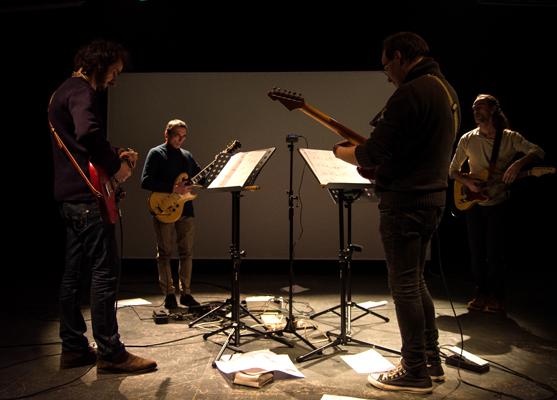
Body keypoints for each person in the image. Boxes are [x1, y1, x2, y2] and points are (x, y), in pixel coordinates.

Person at [334, 32, 460, 394]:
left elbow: (373, 154)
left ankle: (415, 371)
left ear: (401, 56)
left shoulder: (410, 92)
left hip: (405, 203)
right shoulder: (446, 90)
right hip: (432, 200)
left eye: (387, 66)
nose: (387, 75)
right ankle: (431, 362)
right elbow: (410, 147)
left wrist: (341, 153)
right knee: (416, 282)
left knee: (404, 286)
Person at [49, 39, 157, 374]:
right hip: (87, 200)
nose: (114, 81)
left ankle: (73, 348)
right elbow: (89, 134)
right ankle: (111, 351)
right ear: (100, 64)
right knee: (104, 273)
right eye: (114, 73)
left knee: (73, 274)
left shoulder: (60, 93)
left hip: (68, 197)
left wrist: (114, 154)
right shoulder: (82, 91)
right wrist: (118, 166)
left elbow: (79, 144)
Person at [449, 94, 544, 313]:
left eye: (480, 107)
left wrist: (519, 164)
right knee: (476, 253)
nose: (475, 110)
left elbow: (538, 151)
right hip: (473, 204)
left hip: (498, 202)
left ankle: (496, 296)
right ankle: (481, 293)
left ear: (493, 110)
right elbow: (452, 170)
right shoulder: (468, 138)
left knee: (494, 254)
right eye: (474, 107)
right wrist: (467, 181)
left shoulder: (509, 137)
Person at [141, 119, 203, 309]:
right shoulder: (156, 153)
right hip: (164, 209)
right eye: (177, 135)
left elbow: (202, 176)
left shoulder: (187, 156)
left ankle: (186, 293)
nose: (180, 140)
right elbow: (145, 181)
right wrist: (172, 187)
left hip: (186, 210)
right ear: (167, 134)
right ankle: (169, 293)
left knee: (187, 253)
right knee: (165, 254)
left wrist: (220, 164)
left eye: (183, 136)